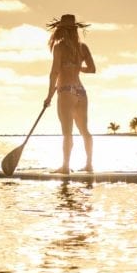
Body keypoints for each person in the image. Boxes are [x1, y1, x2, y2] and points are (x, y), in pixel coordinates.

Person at [44, 14, 96, 173]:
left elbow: (54, 72)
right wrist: (77, 67)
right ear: (75, 30)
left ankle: (65, 166)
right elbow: (92, 69)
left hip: (66, 91)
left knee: (67, 132)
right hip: (81, 91)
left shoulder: (59, 47)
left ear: (60, 30)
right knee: (84, 130)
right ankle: (89, 165)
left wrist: (48, 96)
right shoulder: (83, 47)